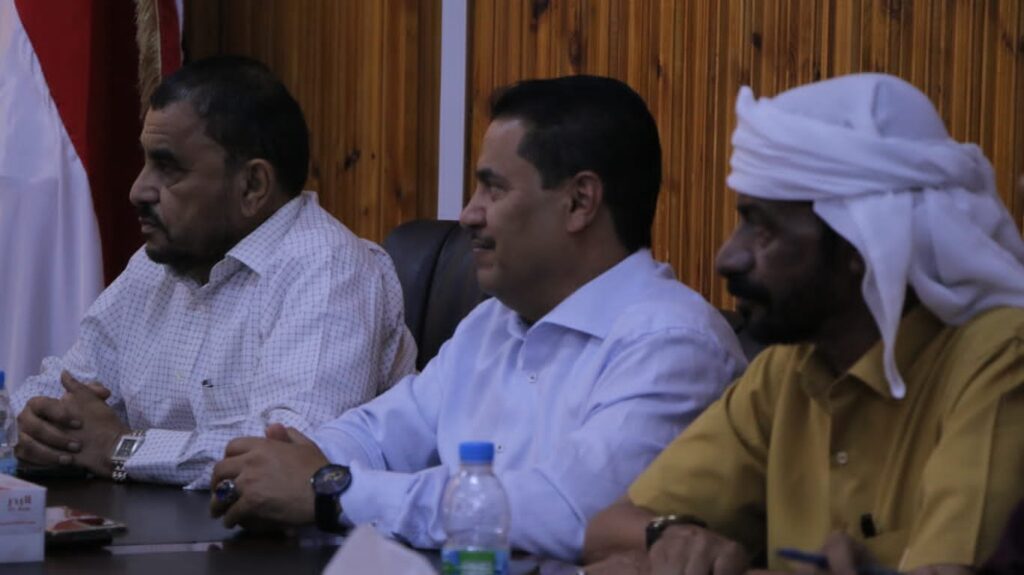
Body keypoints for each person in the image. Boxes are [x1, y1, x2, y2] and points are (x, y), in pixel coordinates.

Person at [208, 75, 747, 562]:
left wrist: (332, 490)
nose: (469, 214)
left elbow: (572, 514)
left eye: (494, 188)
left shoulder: (673, 344)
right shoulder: (493, 323)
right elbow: (378, 433)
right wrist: (289, 462)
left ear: (580, 202)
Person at [582, 74, 1024, 574]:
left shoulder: (1001, 356)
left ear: (861, 246)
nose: (728, 257)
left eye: (763, 228)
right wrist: (671, 536)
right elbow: (605, 534)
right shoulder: (788, 368)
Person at [12, 56, 416, 489]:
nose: (138, 190)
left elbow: (292, 456)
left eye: (168, 167)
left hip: (290, 534)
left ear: (252, 186)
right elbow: (58, 388)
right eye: (145, 162)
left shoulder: (327, 268)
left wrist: (122, 447)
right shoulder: (157, 264)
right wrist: (41, 424)